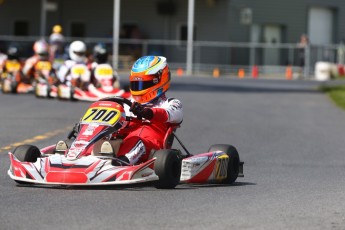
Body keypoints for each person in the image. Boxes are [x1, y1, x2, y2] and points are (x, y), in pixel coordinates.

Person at [103, 55, 183, 165]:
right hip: (123, 142)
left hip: (151, 147)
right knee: (102, 137)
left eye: (142, 84)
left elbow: (172, 115)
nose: (138, 89)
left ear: (158, 80)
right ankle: (82, 159)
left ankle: (120, 164)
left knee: (136, 140)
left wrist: (146, 112)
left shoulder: (171, 103)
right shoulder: (127, 103)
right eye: (135, 84)